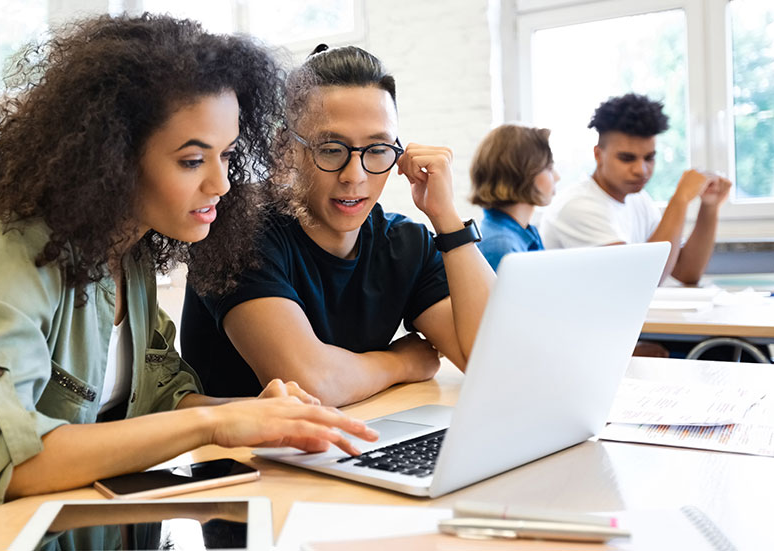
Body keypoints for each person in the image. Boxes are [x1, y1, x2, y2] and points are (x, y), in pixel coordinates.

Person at [0, 15, 377, 549]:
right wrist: (213, 427)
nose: (221, 182)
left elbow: (160, 397)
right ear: (112, 156)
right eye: (191, 159)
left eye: (226, 154)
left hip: (89, 522)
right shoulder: (16, 245)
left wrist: (258, 416)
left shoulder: (131, 246)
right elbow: (2, 464)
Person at [180, 45, 496, 407]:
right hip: (242, 460)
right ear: (286, 149)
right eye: (330, 149)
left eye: (377, 149)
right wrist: (402, 361)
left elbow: (494, 361)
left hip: (355, 443)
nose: (354, 176)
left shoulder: (405, 244)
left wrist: (446, 219)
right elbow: (311, 384)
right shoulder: (236, 231)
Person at [540, 93, 731, 284]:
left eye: (649, 158)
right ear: (598, 155)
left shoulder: (638, 199)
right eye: (627, 158)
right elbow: (641, 280)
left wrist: (709, 208)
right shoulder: (578, 206)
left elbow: (686, 272)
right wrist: (680, 199)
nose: (641, 170)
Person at [469, 124, 558, 270]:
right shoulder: (501, 246)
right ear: (523, 174)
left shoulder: (523, 232)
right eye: (548, 168)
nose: (557, 177)